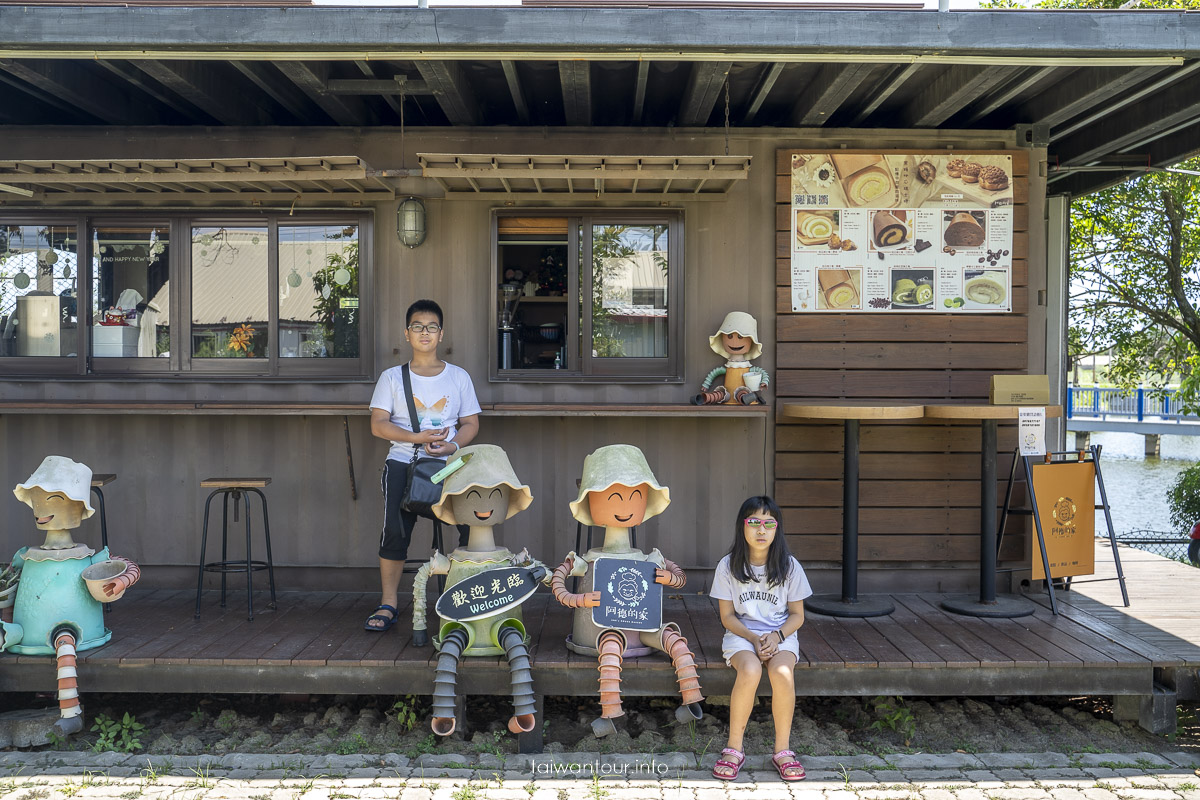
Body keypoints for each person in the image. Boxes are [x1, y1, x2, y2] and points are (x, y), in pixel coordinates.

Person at [365, 299, 480, 632]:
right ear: (407, 333)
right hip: (403, 464)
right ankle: (388, 603)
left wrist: (453, 445)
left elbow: (471, 423)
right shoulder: (392, 378)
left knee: (470, 530)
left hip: (451, 467)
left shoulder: (458, 377)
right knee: (395, 532)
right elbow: (378, 425)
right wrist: (418, 438)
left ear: (441, 333)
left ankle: (463, 597)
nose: (424, 332)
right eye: (418, 326)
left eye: (431, 326)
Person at [709, 496, 812, 782]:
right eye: (754, 522)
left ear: (777, 529)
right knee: (751, 669)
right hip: (742, 636)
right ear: (742, 526)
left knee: (781, 672)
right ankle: (734, 748)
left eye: (769, 523)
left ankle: (783, 751)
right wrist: (754, 638)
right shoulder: (728, 566)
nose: (761, 530)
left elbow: (797, 616)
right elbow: (728, 617)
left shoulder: (790, 567)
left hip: (781, 635)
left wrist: (776, 637)